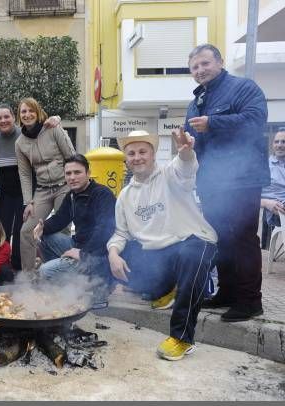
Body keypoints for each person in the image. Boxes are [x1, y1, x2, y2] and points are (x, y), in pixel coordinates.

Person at [107, 130, 217, 361]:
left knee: (190, 256)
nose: (137, 157)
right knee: (122, 262)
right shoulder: (125, 196)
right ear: (126, 158)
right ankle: (168, 289)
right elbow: (120, 233)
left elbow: (186, 168)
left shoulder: (170, 174)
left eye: (142, 152)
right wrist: (113, 253)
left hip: (193, 240)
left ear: (153, 154)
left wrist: (186, 152)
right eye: (132, 153)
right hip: (159, 255)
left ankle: (182, 338)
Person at [184, 44, 269, 322]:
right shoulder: (195, 101)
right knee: (221, 239)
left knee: (243, 238)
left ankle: (249, 301)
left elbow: (255, 121)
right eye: (195, 67)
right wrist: (185, 145)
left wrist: (213, 122)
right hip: (211, 181)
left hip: (242, 178)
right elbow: (193, 141)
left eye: (205, 64)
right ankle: (227, 293)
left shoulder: (243, 88)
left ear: (220, 62)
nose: (200, 70)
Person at [33, 154, 116, 306]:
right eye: (68, 173)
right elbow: (59, 219)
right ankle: (72, 285)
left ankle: (100, 289)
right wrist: (42, 227)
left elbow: (105, 230)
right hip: (80, 247)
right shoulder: (72, 195)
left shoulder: (102, 194)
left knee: (45, 271)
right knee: (45, 237)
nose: (72, 177)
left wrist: (82, 253)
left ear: (88, 173)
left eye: (77, 172)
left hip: (99, 255)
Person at [0, 104, 61, 271]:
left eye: (6, 116)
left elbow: (44, 129)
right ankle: (2, 267)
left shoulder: (24, 134)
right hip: (5, 191)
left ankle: (19, 267)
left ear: (14, 117)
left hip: (26, 189)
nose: (3, 120)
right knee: (2, 230)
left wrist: (56, 119)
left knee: (21, 230)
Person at [16, 97, 76, 271]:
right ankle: (28, 279)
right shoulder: (20, 143)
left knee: (60, 230)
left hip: (63, 185)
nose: (27, 115)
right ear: (19, 116)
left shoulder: (52, 128)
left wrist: (74, 185)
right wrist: (28, 202)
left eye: (31, 110)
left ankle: (61, 272)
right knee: (26, 231)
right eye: (23, 111)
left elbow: (71, 156)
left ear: (38, 112)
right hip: (42, 190)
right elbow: (25, 174)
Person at [261, 128, 285, 227]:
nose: (279, 145)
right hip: (274, 219)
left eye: (284, 142)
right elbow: (247, 197)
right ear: (272, 144)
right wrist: (266, 202)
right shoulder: (263, 167)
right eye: (276, 142)